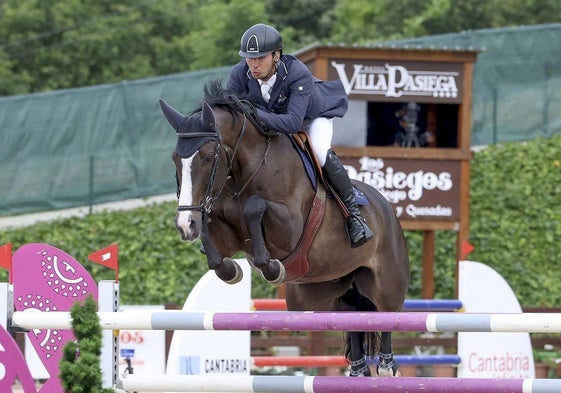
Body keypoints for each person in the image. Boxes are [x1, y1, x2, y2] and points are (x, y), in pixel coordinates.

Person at [227, 23, 373, 248]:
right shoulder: (240, 74)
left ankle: (354, 217)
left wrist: (253, 113)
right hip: (271, 118)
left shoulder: (296, 73)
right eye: (249, 58)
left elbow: (292, 122)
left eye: (261, 58)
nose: (254, 64)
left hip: (311, 118)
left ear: (276, 55)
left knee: (320, 152)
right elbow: (233, 115)